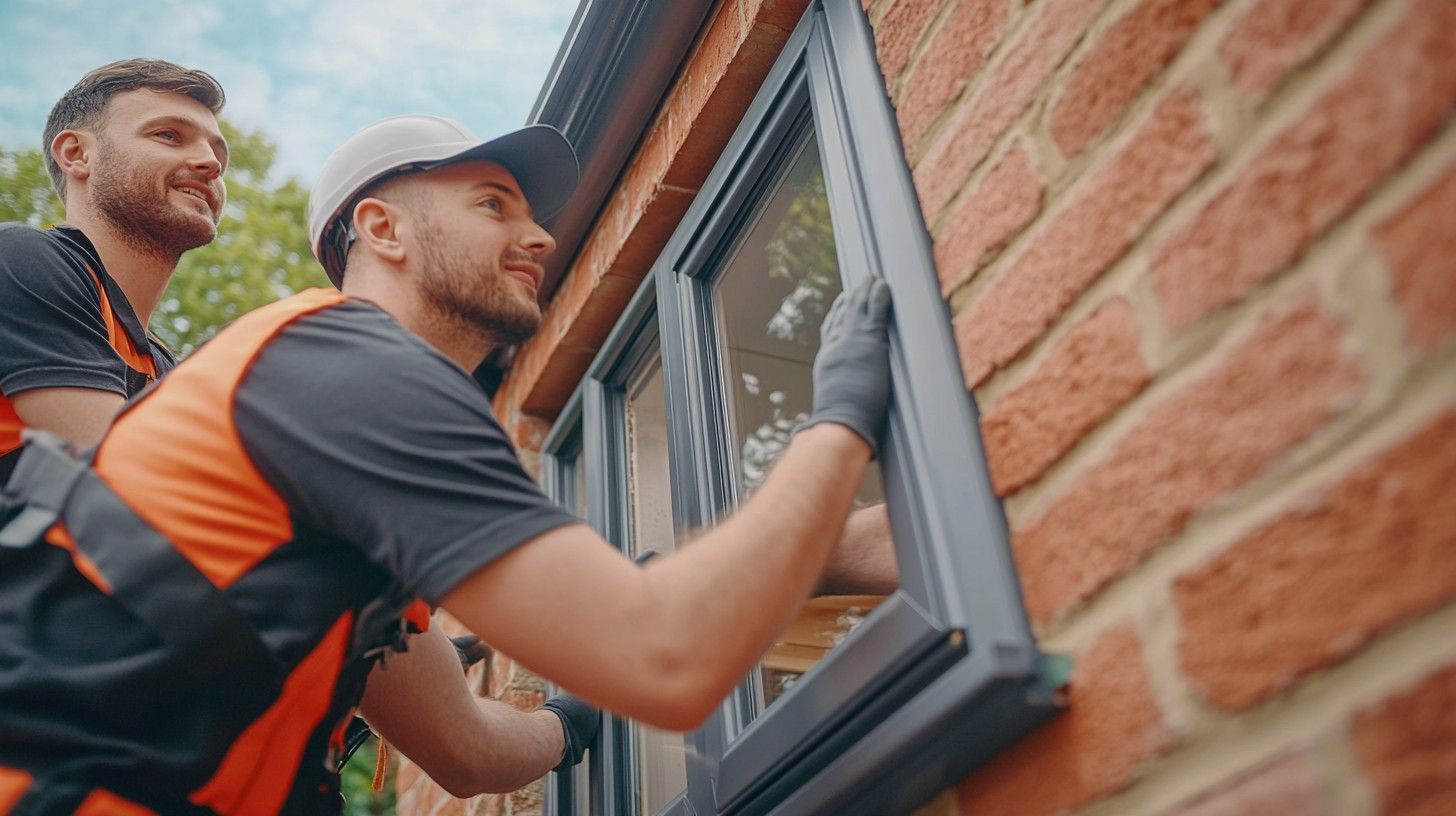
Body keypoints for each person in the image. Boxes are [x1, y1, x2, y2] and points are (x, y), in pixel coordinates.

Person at [0, 114, 893, 814]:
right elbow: (665, 656)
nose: (539, 236)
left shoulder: (330, 463)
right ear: (381, 229)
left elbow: (467, 752)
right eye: (492, 205)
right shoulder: (350, 371)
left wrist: (573, 717)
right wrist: (840, 425)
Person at [0, 58, 228, 483]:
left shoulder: (167, 369)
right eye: (168, 135)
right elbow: (134, 490)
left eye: (217, 152)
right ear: (76, 154)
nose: (210, 163)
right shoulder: (21, 259)